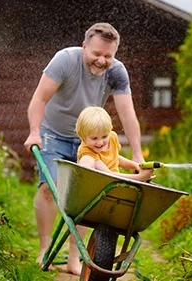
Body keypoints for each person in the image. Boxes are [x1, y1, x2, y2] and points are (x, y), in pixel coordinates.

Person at [23, 22, 144, 275]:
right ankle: (45, 249)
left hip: (89, 141)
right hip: (52, 134)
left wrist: (137, 154)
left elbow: (127, 114)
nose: (101, 60)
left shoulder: (117, 72)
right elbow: (39, 99)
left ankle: (74, 258)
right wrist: (35, 131)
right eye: (96, 53)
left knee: (86, 199)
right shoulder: (64, 60)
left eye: (108, 56)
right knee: (48, 188)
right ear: (84, 46)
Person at [76, 106, 154, 181]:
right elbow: (108, 175)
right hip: (101, 185)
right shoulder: (86, 151)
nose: (100, 142)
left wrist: (136, 165)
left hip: (115, 184)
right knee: (87, 160)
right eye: (94, 138)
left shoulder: (112, 137)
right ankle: (84, 178)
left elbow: (115, 158)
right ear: (82, 136)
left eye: (104, 136)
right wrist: (139, 178)